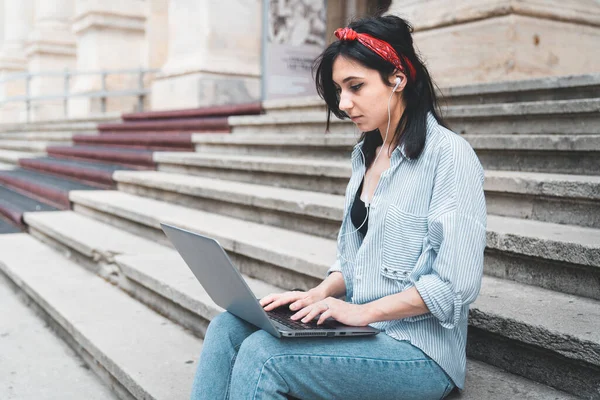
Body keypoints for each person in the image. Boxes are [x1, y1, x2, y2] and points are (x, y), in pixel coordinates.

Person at [190, 14, 486, 400]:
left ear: (398, 78)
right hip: (364, 333)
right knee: (227, 328)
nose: (344, 103)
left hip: (418, 352)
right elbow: (354, 260)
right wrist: (318, 293)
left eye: (356, 86)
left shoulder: (450, 157)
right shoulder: (366, 155)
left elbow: (455, 286)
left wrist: (363, 312)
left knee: (264, 356)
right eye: (338, 89)